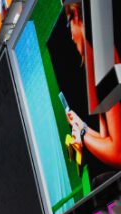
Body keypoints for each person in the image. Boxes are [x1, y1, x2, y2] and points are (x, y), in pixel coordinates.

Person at [63, 2, 121, 178]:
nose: (71, 37)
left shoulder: (103, 55)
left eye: (68, 24)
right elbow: (107, 138)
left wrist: (83, 133)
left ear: (76, 15)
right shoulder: (98, 54)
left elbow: (118, 154)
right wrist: (83, 127)